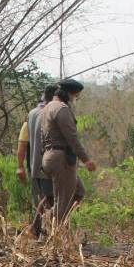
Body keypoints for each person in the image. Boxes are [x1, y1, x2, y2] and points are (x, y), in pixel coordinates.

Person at [37, 78, 97, 232]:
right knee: (63, 201)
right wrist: (86, 159)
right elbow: (72, 138)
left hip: (49, 156)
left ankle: (54, 225)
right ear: (68, 94)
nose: (75, 100)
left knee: (79, 191)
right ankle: (53, 232)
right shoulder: (61, 109)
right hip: (61, 158)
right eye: (75, 96)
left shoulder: (47, 107)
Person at [19, 84, 57, 236]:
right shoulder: (51, 114)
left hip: (33, 166)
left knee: (39, 200)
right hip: (47, 167)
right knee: (50, 201)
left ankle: (36, 231)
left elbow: (22, 143)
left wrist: (20, 166)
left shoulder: (32, 114)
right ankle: (46, 233)